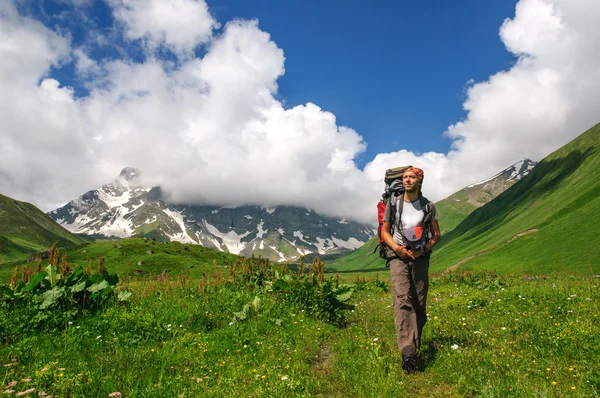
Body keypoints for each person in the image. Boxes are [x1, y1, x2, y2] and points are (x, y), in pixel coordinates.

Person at [380, 167, 441, 373]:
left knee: (419, 303)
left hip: (420, 257)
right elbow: (385, 231)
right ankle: (407, 353)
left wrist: (422, 249)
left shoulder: (428, 206)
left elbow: (436, 235)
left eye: (411, 177)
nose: (407, 180)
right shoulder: (393, 204)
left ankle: (413, 347)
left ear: (419, 181)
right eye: (405, 177)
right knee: (402, 301)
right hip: (398, 257)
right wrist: (397, 248)